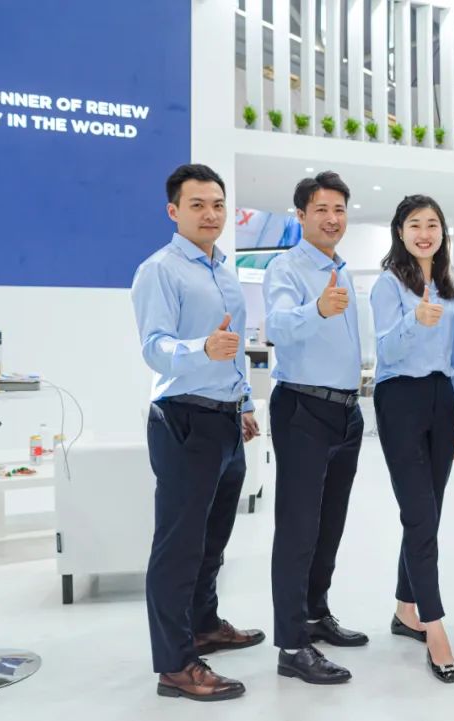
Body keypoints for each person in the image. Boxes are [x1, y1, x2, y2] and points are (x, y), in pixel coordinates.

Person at [131, 163, 264, 702]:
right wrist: (201, 349)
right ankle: (175, 664)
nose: (210, 214)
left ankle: (204, 625)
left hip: (225, 419)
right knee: (178, 547)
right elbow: (155, 347)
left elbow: (236, 346)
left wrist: (245, 402)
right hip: (183, 418)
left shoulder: (224, 271)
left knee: (213, 539)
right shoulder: (160, 270)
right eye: (197, 205)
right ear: (173, 211)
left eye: (217, 205)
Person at [264, 171, 366, 686]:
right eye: (321, 209)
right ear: (301, 215)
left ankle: (315, 613)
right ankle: (291, 644)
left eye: (339, 210)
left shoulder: (340, 269)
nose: (332, 219)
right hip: (303, 408)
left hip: (345, 411)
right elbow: (277, 327)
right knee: (298, 529)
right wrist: (318, 308)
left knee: (329, 525)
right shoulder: (286, 268)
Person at [370, 195, 454, 683]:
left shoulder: (449, 284)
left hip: (441, 399)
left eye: (433, 224)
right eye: (415, 224)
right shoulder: (388, 285)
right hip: (400, 398)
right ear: (400, 232)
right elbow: (383, 351)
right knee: (419, 514)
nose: (424, 233)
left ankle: (405, 609)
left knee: (430, 511)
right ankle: (435, 624)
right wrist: (414, 320)